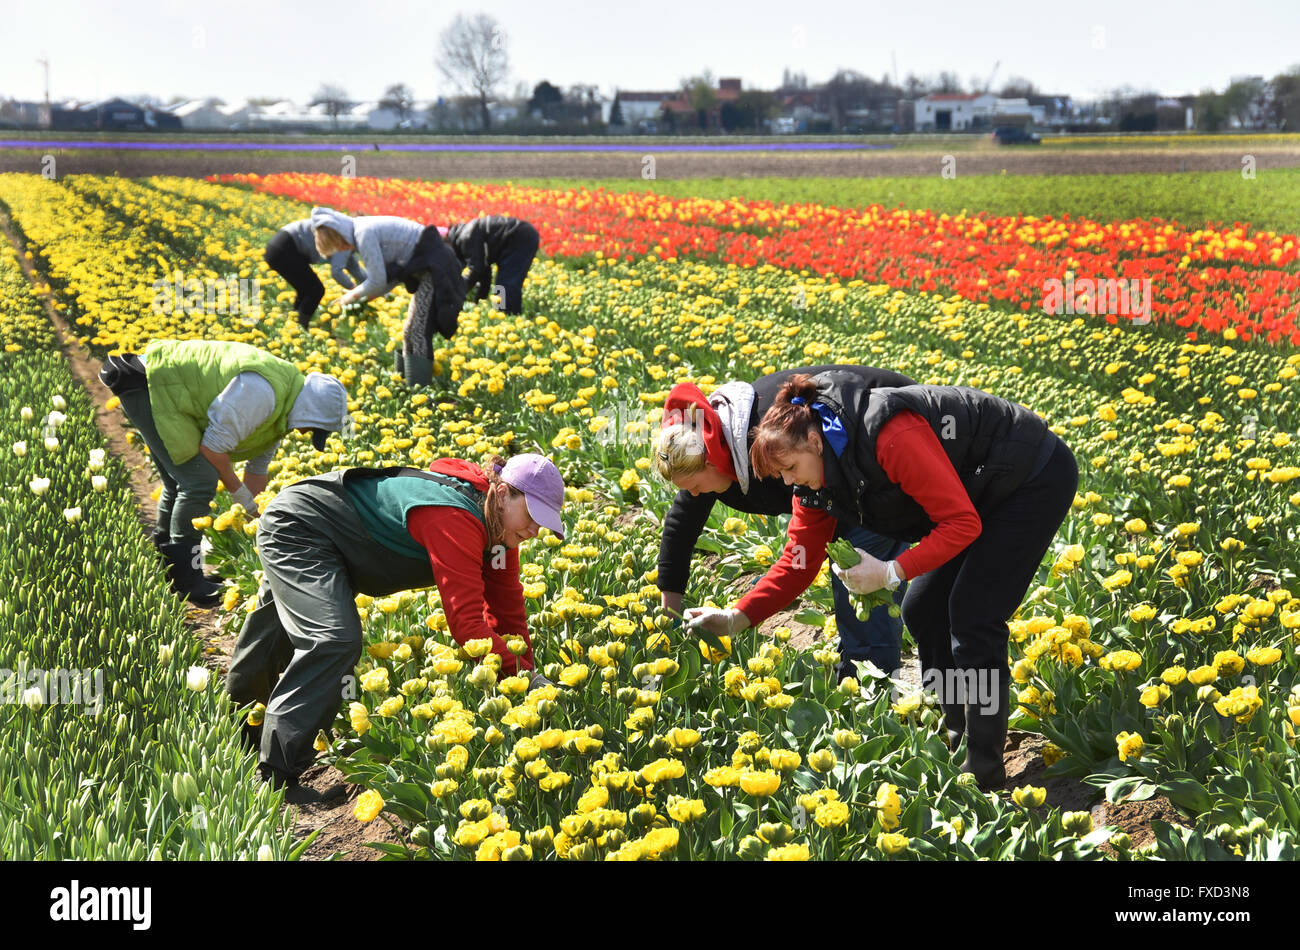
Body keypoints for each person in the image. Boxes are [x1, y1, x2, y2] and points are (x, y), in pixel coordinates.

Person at [736, 371, 1078, 789]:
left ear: (814, 441)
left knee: (973, 615)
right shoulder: (816, 479)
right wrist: (738, 617)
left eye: (790, 468)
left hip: (1027, 477)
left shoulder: (887, 434)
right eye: (780, 477)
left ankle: (984, 766)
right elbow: (797, 561)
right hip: (973, 492)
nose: (789, 483)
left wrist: (890, 571)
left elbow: (960, 523)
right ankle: (956, 739)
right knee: (923, 609)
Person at [226, 453, 565, 799]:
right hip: (301, 526)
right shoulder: (456, 517)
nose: (535, 530)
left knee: (273, 636)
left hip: (325, 535)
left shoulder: (498, 529)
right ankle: (277, 777)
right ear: (505, 492)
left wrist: (527, 675)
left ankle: (236, 734)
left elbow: (507, 612)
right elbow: (467, 625)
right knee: (332, 640)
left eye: (545, 523)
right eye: (533, 515)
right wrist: (525, 677)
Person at [653, 365, 916, 679]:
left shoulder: (774, 445)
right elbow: (681, 525)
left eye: (694, 485)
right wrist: (669, 610)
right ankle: (861, 671)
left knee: (858, 570)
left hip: (884, 452)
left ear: (711, 461)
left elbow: (800, 561)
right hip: (840, 469)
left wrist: (737, 617)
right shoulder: (708, 443)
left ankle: (873, 683)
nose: (694, 494)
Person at [98, 339, 351, 608]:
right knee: (198, 483)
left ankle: (167, 564)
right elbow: (212, 450)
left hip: (165, 392)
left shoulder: (284, 404)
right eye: (313, 427)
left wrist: (255, 517)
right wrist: (239, 495)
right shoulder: (264, 393)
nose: (306, 434)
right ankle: (188, 580)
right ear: (309, 409)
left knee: (178, 482)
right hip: (151, 385)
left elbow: (257, 470)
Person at [311, 207, 466, 386]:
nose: (342, 250)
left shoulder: (364, 234)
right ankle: (404, 382)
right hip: (425, 268)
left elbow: (377, 280)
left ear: (339, 237)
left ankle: (421, 391)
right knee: (409, 331)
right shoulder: (361, 229)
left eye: (338, 246)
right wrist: (367, 296)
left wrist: (352, 296)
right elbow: (388, 278)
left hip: (434, 268)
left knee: (419, 331)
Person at [263, 216, 367, 327]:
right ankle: (299, 327)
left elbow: (355, 269)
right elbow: (337, 271)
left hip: (280, 245)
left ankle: (293, 326)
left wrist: (379, 287)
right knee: (315, 290)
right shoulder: (345, 238)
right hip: (284, 247)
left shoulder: (346, 237)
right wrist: (354, 290)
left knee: (306, 290)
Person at [444, 215, 540, 316]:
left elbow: (476, 269)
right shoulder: (464, 236)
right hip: (520, 236)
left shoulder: (466, 237)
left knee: (505, 286)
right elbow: (484, 273)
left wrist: (456, 291)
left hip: (520, 238)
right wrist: (479, 301)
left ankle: (507, 320)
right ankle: (506, 317)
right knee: (502, 288)